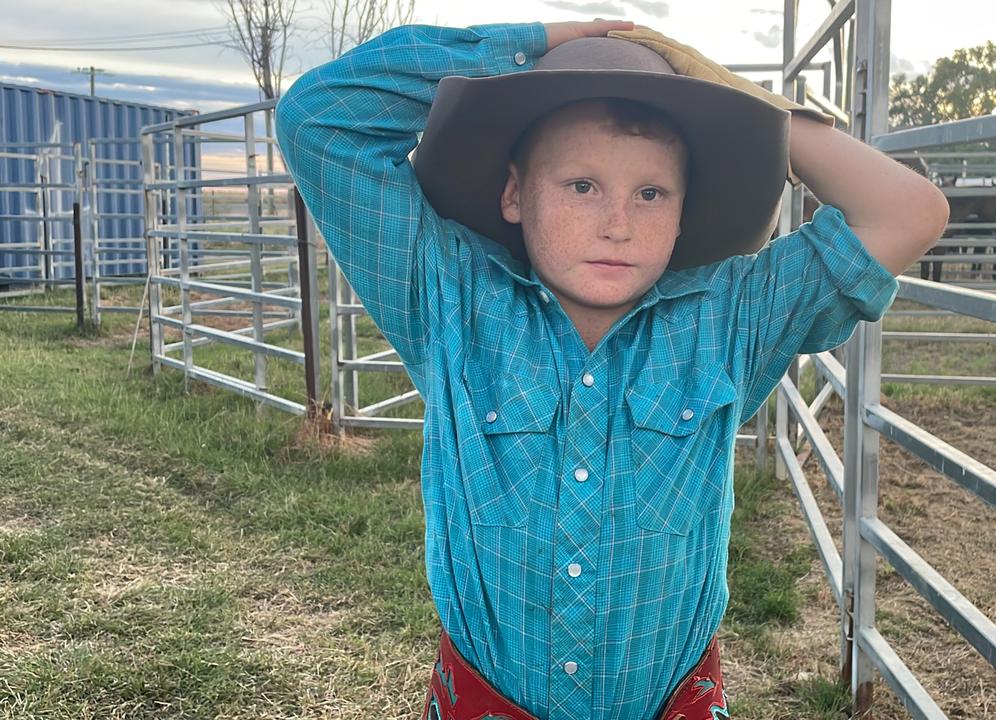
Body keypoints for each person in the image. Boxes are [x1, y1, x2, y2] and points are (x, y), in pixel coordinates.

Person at [275, 18, 947, 720]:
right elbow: (318, 119)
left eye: (651, 194)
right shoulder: (446, 294)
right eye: (581, 186)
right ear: (514, 196)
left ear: (684, 211)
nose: (618, 223)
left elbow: (909, 211)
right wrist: (543, 41)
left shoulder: (731, 319)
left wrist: (740, 97)